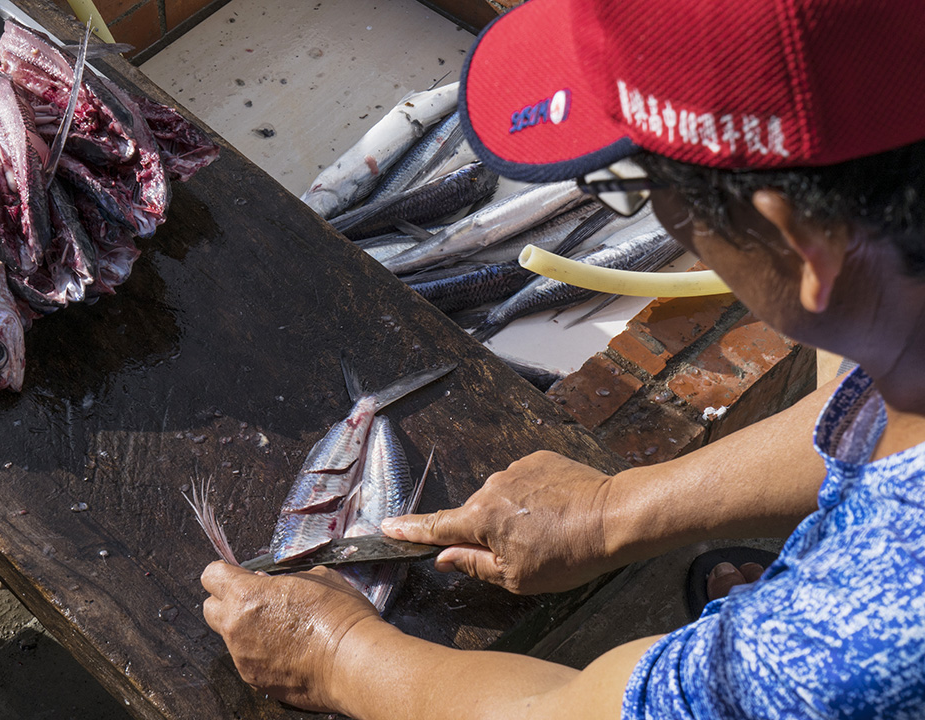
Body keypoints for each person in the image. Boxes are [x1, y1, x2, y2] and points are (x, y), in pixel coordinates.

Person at [199, 0, 925, 716]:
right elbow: (865, 398)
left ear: (800, 245)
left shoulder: (848, 634)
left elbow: (570, 712)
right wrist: (615, 510)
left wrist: (336, 651)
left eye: (635, 182)